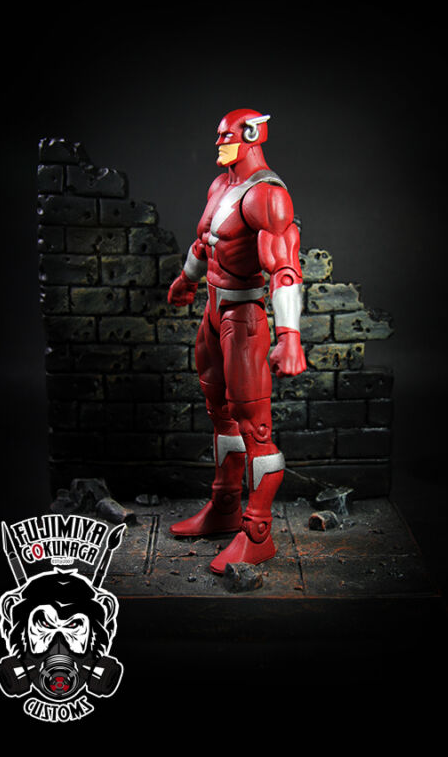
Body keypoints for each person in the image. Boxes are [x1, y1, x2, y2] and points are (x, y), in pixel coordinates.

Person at [167, 108, 306, 574]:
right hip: (212, 309)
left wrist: (289, 336)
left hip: (243, 316)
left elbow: (284, 269)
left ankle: (258, 532)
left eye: (226, 136)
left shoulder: (267, 196)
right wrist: (186, 280)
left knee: (254, 426)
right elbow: (205, 243)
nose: (218, 143)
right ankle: (224, 507)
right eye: (218, 135)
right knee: (219, 413)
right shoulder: (220, 186)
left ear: (250, 136)